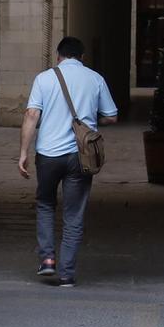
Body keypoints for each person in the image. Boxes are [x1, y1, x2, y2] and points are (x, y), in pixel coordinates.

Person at [18, 36, 119, 287]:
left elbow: (32, 115)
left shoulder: (44, 78)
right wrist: (88, 119)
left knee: (45, 204)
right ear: (82, 57)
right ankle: (66, 274)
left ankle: (47, 260)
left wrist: (23, 152)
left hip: (48, 155)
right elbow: (112, 117)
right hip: (80, 156)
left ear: (58, 56)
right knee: (74, 214)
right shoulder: (95, 79)